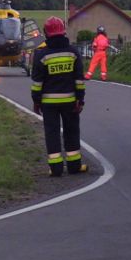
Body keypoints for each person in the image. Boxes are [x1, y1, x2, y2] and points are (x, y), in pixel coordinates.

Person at [31, 16, 88, 177]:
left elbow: (37, 83)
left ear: (46, 33)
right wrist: (80, 99)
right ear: (63, 32)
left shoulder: (41, 55)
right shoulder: (73, 52)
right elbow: (79, 80)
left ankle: (55, 169)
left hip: (48, 104)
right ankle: (74, 166)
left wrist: (36, 101)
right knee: (72, 132)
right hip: (70, 101)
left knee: (52, 133)